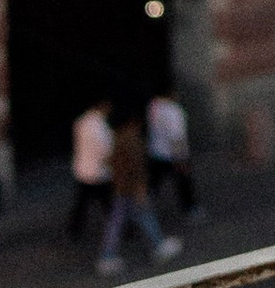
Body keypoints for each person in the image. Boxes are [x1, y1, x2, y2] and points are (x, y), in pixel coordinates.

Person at [97, 105, 181, 275]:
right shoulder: (131, 139)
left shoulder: (118, 137)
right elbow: (136, 167)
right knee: (136, 216)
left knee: (125, 219)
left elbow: (110, 161)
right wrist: (140, 188)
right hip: (130, 188)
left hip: (121, 186)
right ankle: (157, 246)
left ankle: (110, 255)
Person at [144, 85, 199, 232]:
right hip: (172, 154)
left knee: (154, 184)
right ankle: (191, 209)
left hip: (157, 152)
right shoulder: (174, 111)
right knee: (183, 182)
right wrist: (180, 159)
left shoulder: (153, 106)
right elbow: (177, 137)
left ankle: (144, 208)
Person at [66, 98, 114, 246]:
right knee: (109, 204)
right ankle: (120, 231)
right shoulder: (99, 126)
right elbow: (105, 150)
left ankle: (74, 230)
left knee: (82, 204)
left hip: (84, 170)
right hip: (99, 173)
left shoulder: (81, 122)